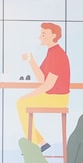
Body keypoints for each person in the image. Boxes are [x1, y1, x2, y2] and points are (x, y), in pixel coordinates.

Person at [18, 22, 70, 152]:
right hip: (52, 96)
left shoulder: (58, 54)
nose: (40, 37)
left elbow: (48, 85)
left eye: (43, 34)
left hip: (58, 98)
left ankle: (35, 144)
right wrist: (31, 60)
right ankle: (41, 143)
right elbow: (42, 79)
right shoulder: (51, 52)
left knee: (22, 103)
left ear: (53, 35)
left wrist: (28, 95)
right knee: (21, 103)